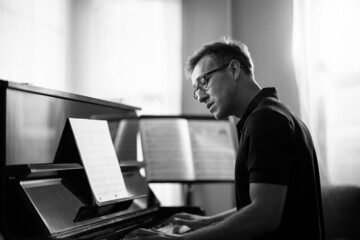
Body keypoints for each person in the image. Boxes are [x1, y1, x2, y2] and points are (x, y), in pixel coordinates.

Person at [124, 38, 325, 240]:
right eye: (196, 90)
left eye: (203, 82)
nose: (200, 96)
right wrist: (206, 222)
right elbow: (260, 203)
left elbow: (265, 215)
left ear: (234, 69)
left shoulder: (265, 121)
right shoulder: (275, 113)